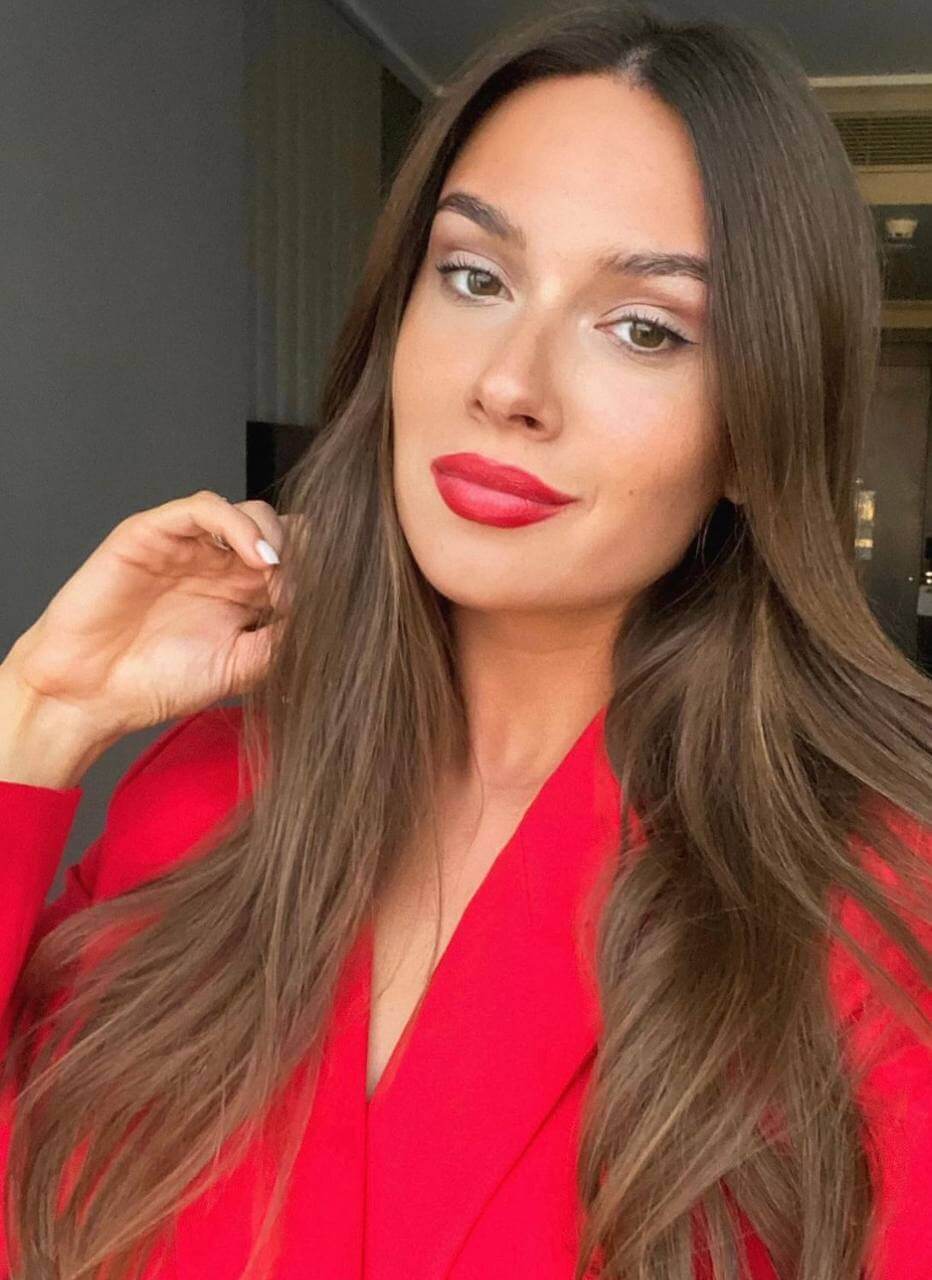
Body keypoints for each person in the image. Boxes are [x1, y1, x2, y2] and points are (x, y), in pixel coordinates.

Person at [1, 2, 930, 1277]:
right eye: (475, 276)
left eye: (645, 327)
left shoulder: (874, 901)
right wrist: (39, 714)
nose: (506, 382)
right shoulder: (203, 793)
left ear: (753, 437)